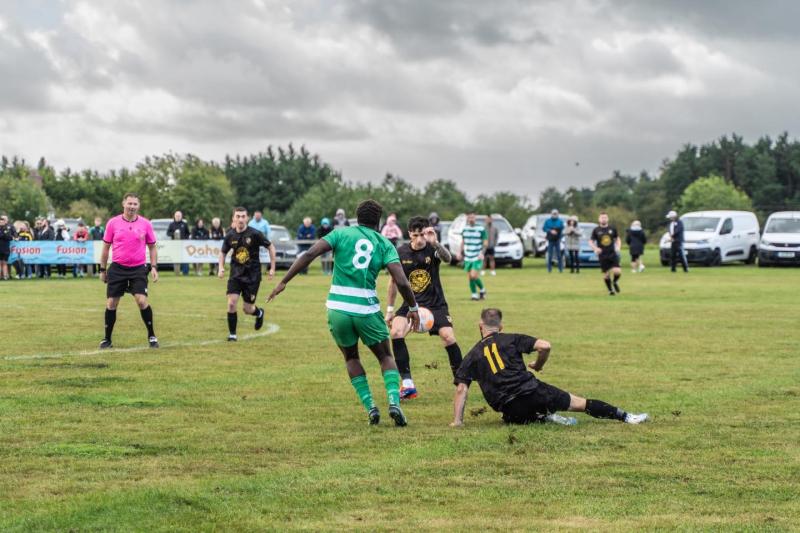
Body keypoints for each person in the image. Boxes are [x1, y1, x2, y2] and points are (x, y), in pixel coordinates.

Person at [268, 199, 420, 427]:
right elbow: (402, 282)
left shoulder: (340, 234)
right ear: (378, 222)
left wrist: (283, 281)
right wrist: (413, 307)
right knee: (385, 357)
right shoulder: (384, 243)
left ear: (356, 217)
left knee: (351, 357)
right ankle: (393, 402)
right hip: (366, 310)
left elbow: (309, 254)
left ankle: (371, 407)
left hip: (337, 309)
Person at [450, 308, 649, 427]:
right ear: (500, 327)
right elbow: (545, 345)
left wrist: (457, 421)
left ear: (480, 326)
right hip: (533, 392)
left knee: (517, 418)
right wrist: (538, 364)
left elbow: (461, 389)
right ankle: (627, 417)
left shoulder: (472, 355)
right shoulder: (512, 338)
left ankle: (546, 417)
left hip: (510, 409)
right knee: (580, 404)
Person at [386, 216, 462, 400]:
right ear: (409, 234)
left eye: (423, 234)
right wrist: (389, 309)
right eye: (416, 234)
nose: (420, 239)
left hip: (436, 304)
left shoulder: (432, 249)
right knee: (396, 333)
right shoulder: (400, 252)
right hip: (411, 303)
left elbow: (448, 258)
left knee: (448, 336)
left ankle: (462, 380)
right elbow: (393, 282)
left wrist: (435, 243)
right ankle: (408, 384)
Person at [98, 193, 159, 349]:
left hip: (138, 268)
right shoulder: (113, 223)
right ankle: (107, 339)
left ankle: (152, 335)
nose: (132, 206)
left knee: (141, 300)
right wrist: (102, 269)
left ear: (138, 206)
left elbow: (152, 246)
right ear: (123, 204)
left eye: (135, 204)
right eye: (129, 203)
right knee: (111, 303)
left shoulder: (145, 224)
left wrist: (153, 267)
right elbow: (105, 247)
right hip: (118, 268)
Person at [218, 207, 276, 342]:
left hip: (252, 276)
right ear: (233, 218)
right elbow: (223, 252)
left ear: (247, 218)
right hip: (235, 275)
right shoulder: (230, 235)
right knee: (231, 303)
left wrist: (272, 267)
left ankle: (259, 313)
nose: (240, 219)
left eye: (243, 216)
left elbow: (271, 247)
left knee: (248, 309)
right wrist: (221, 267)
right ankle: (232, 335)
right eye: (237, 216)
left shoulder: (255, 234)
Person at [590, 212, 622, 296]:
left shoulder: (612, 229)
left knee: (617, 272)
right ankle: (610, 290)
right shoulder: (596, 230)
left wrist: (618, 247)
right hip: (603, 255)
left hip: (612, 253)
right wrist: (595, 248)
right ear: (599, 219)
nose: (603, 219)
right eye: (602, 217)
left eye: (605, 217)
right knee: (606, 274)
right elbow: (590, 241)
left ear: (607, 219)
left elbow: (617, 239)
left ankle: (614, 282)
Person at [457, 212, 487, 301]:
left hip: (477, 256)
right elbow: (463, 241)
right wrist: (459, 252)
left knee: (474, 275)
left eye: (473, 217)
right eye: (469, 217)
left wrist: (482, 253)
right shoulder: (465, 229)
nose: (471, 219)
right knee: (470, 277)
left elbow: (485, 242)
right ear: (467, 218)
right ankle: (475, 294)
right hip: (468, 256)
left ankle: (482, 290)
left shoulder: (481, 228)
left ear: (475, 218)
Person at [167, 211, 190, 276]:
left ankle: (185, 273)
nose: (178, 217)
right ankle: (177, 272)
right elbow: (168, 233)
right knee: (176, 259)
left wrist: (185, 238)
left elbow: (188, 233)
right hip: (175, 245)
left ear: (181, 216)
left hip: (183, 245)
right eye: (177, 216)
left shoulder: (184, 224)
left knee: (184, 258)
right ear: (174, 216)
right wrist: (173, 234)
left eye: (179, 216)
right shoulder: (171, 224)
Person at [543, 209, 564, 273]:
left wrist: (557, 231)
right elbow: (544, 228)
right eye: (553, 214)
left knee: (559, 255)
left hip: (557, 240)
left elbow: (562, 228)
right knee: (550, 255)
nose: (554, 215)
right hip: (550, 240)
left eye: (556, 214)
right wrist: (550, 230)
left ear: (558, 214)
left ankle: (560, 269)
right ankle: (549, 269)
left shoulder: (560, 221)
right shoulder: (547, 221)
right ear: (551, 214)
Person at [0, 215, 15, 280]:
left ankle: (5, 276)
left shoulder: (7, 229)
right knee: (0, 262)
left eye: (2, 221)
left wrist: (3, 235)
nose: (1, 223)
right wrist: (4, 235)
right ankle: (1, 276)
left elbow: (10, 237)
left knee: (5, 262)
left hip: (5, 248)